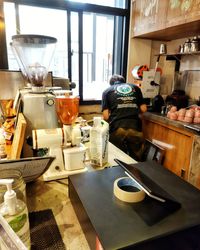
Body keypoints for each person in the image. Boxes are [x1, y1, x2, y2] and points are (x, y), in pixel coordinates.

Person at [102, 74, 147, 161]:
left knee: (117, 159)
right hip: (135, 127)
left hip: (117, 128)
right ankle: (135, 174)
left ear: (111, 84)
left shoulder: (107, 91)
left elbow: (105, 116)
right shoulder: (135, 88)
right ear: (124, 81)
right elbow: (144, 109)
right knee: (136, 159)